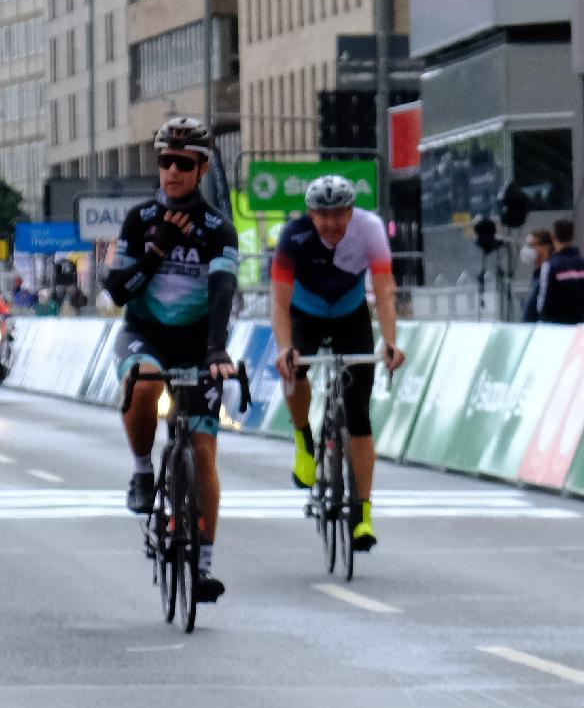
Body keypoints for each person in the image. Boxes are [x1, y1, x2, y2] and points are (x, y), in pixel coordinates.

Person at [105, 119, 243, 599]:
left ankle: (202, 564)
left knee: (203, 453)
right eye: (165, 161)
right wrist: (156, 250)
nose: (173, 171)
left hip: (198, 341)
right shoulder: (140, 219)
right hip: (145, 333)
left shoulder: (218, 228)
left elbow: (223, 288)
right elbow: (117, 290)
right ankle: (143, 472)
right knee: (143, 387)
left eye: (184, 163)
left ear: (202, 168)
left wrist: (216, 348)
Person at [271, 175, 407, 552]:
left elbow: (384, 290)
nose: (330, 224)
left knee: (359, 416)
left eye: (339, 215)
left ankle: (362, 512)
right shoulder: (293, 236)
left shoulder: (370, 229)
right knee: (294, 370)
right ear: (310, 214)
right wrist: (285, 348)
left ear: (352, 211)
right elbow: (279, 301)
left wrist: (391, 342)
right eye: (322, 215)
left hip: (350, 314)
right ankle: (304, 439)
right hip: (305, 312)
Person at [530, 215, 584, 324]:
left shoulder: (551, 267)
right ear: (573, 235)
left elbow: (543, 307)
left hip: (563, 331)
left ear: (553, 237)